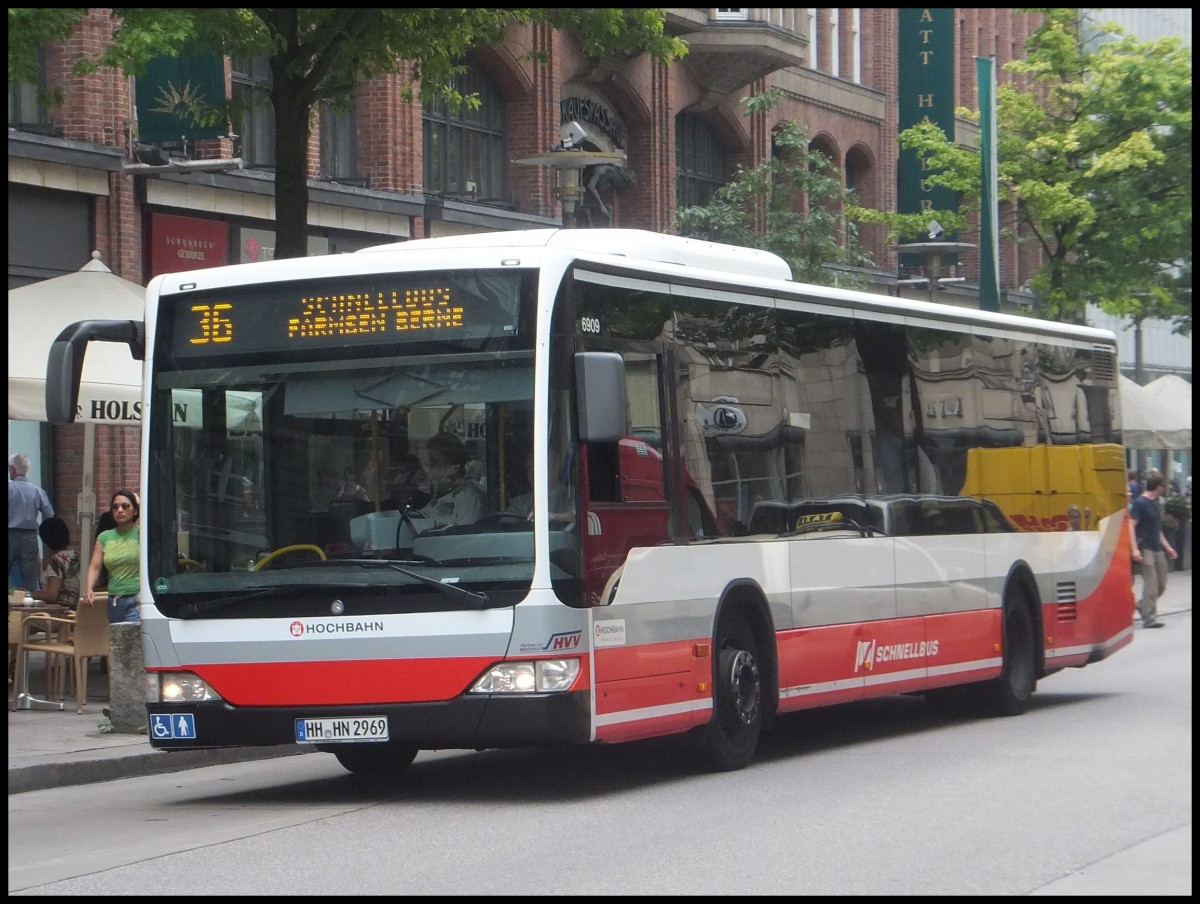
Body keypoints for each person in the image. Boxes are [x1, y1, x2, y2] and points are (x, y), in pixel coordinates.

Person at [83, 489, 142, 624]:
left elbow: (148, 517)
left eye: (125, 506)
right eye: (115, 507)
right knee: (118, 642)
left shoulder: (141, 532)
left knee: (130, 637)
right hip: (114, 600)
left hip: (138, 598)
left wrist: (137, 500)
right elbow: (95, 566)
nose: (120, 510)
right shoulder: (104, 537)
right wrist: (88, 589)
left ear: (135, 511)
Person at [1129, 473, 1177, 629]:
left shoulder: (1155, 503)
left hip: (1157, 547)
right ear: (1158, 487)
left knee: (1161, 583)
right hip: (1145, 548)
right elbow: (1131, 525)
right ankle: (1149, 619)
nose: (1164, 489)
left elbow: (1158, 529)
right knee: (1151, 585)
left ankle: (1143, 605)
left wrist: (1168, 547)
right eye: (1163, 486)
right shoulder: (1140, 503)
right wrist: (1134, 549)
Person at [8, 452, 55, 592]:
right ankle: (32, 608)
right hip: (29, 537)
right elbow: (50, 516)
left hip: (9, 535)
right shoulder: (37, 491)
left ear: (13, 469)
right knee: (31, 579)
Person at [419, 433, 485, 527]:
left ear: (452, 466)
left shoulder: (468, 497)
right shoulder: (434, 495)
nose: (429, 467)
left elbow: (465, 535)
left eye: (434, 462)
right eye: (428, 462)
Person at [506, 448, 574, 526]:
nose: (532, 473)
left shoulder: (571, 495)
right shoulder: (520, 502)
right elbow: (504, 529)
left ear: (555, 468)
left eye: (537, 466)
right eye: (529, 468)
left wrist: (553, 517)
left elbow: (577, 517)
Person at [30, 517, 81, 609]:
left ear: (46, 540)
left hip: (60, 614)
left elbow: (51, 595)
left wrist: (28, 595)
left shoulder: (56, 561)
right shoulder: (78, 557)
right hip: (78, 612)